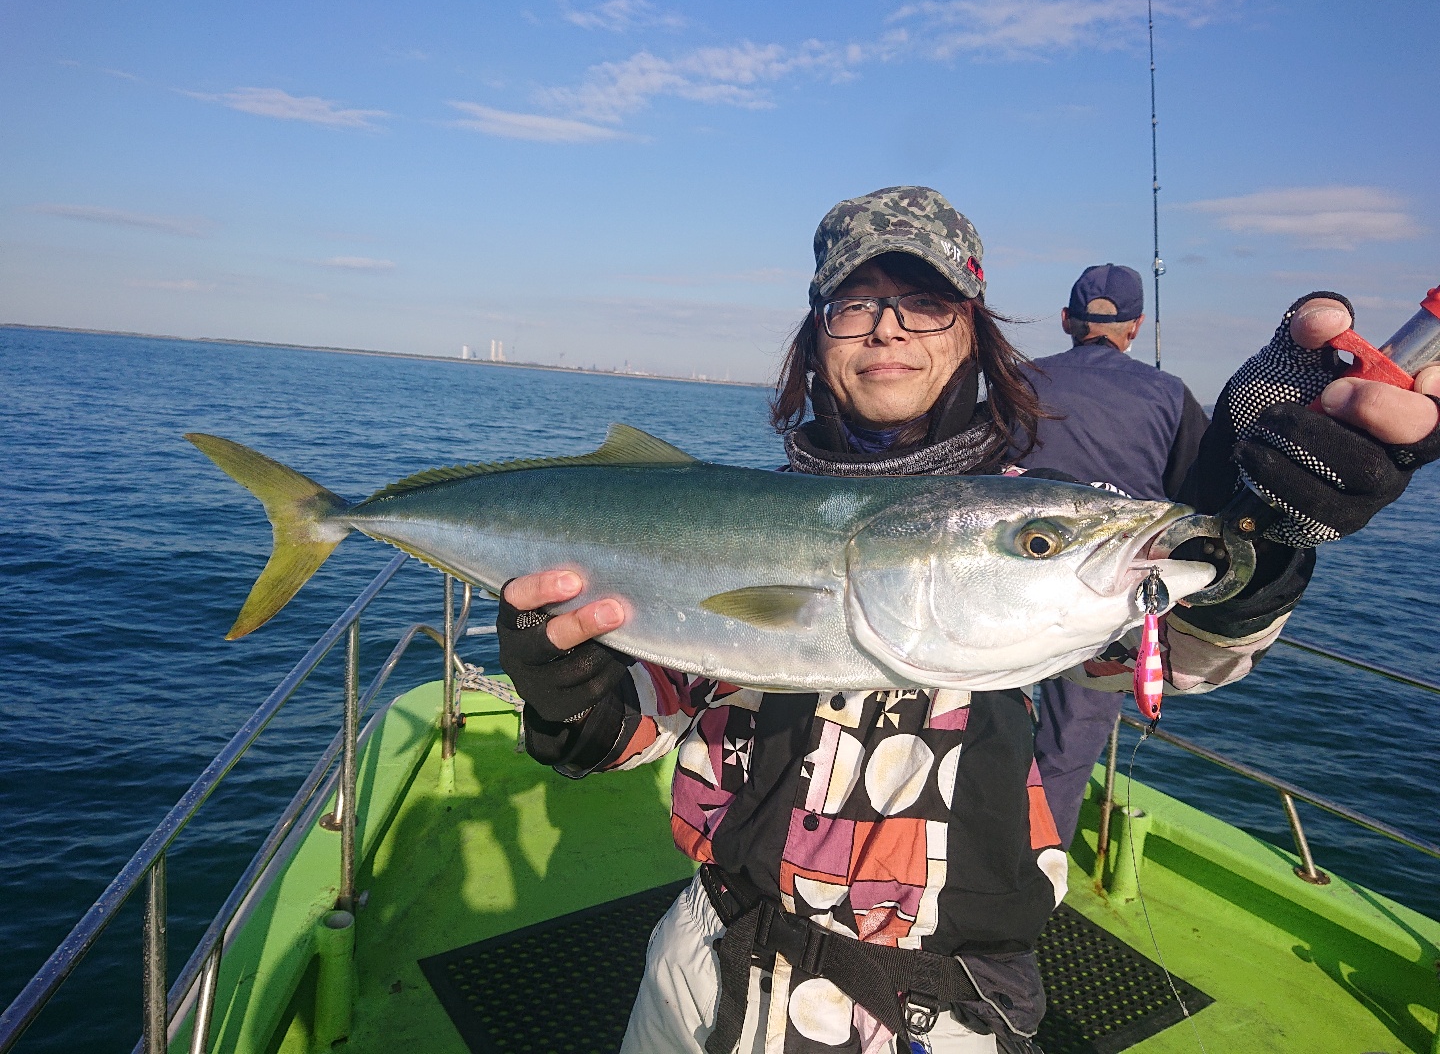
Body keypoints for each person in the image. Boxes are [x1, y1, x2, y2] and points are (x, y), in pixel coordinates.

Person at [496, 186, 1440, 1054]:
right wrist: (568, 702)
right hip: (701, 965)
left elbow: (1170, 653)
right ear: (817, 336)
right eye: (855, 304)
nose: (887, 331)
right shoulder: (740, 515)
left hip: (931, 1005)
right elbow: (636, 727)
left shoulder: (1034, 519)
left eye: (928, 303)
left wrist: (1251, 549)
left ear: (972, 333)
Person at [1018, 263, 1209, 850]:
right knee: (1068, 748)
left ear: (1068, 321)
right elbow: (1197, 499)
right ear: (1136, 325)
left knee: (979, 724)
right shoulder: (1170, 392)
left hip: (1004, 589)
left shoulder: (1020, 378)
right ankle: (1028, 875)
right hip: (1106, 607)